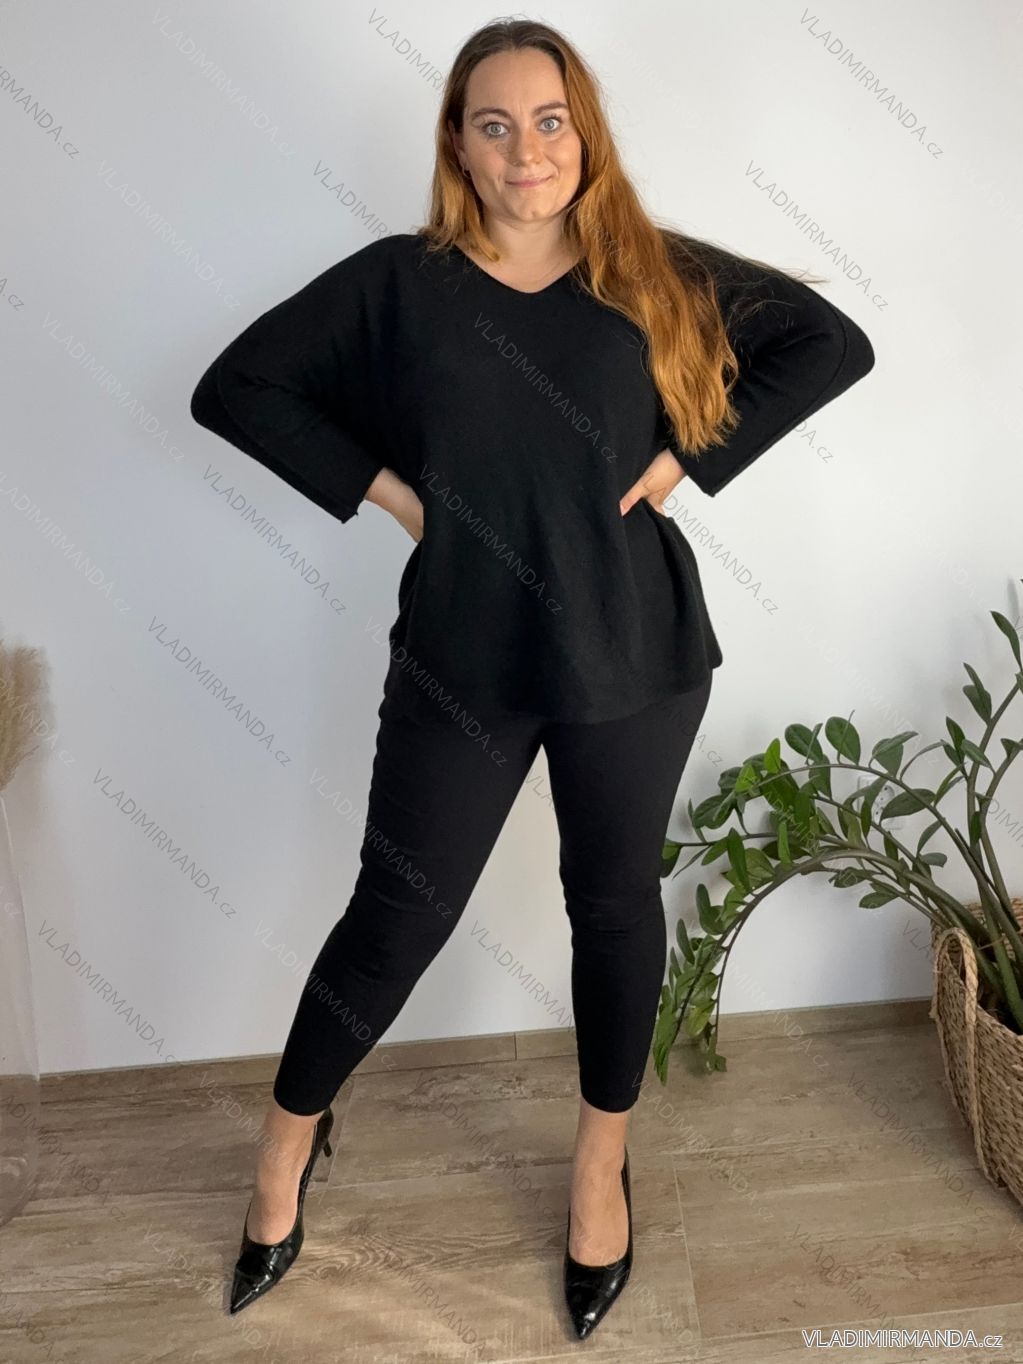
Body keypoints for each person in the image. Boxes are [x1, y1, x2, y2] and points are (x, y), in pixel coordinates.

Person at [189, 16, 874, 1341]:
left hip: (633, 650)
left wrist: (687, 463)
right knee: (397, 913)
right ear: (458, 143)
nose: (526, 151)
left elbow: (830, 343)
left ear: (584, 131)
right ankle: (285, 1147)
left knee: (610, 910)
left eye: (549, 121)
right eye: (494, 124)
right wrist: (395, 494)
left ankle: (600, 1165)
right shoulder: (401, 284)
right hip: (465, 652)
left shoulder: (651, 269)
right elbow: (240, 387)